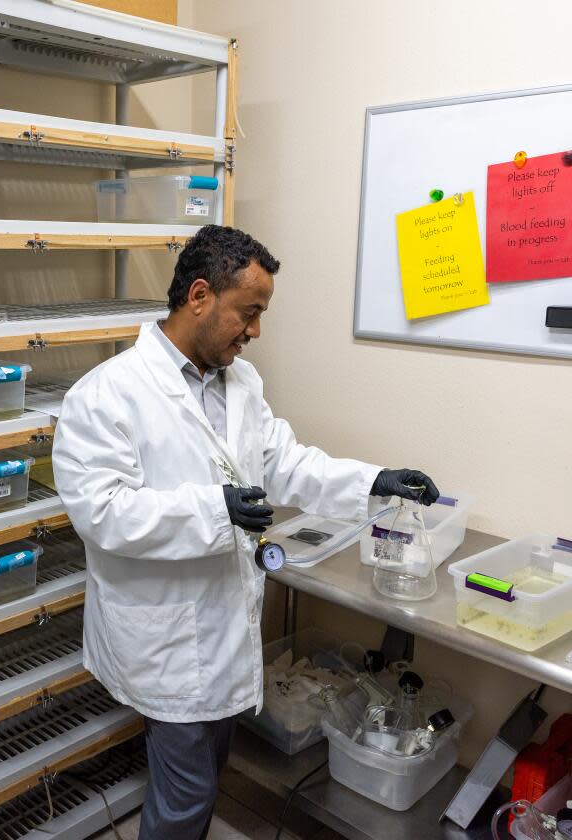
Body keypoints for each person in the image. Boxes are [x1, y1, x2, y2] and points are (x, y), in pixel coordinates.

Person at [51, 224, 438, 840]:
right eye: (249, 312)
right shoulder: (106, 396)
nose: (255, 331)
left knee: (205, 772)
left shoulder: (241, 384)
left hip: (226, 624)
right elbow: (102, 514)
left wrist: (375, 481)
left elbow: (284, 461)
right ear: (199, 296)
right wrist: (213, 510)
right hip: (164, 639)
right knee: (186, 793)